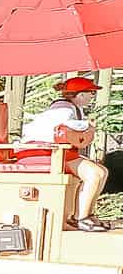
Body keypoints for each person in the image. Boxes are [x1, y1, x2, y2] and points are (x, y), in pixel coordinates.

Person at [20, 75, 108, 232]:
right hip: (45, 151)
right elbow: (64, 125)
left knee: (101, 172)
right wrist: (87, 124)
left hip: (54, 151)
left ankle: (86, 214)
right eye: (91, 93)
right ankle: (81, 218)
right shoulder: (63, 108)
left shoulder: (70, 107)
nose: (92, 97)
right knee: (95, 173)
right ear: (81, 95)